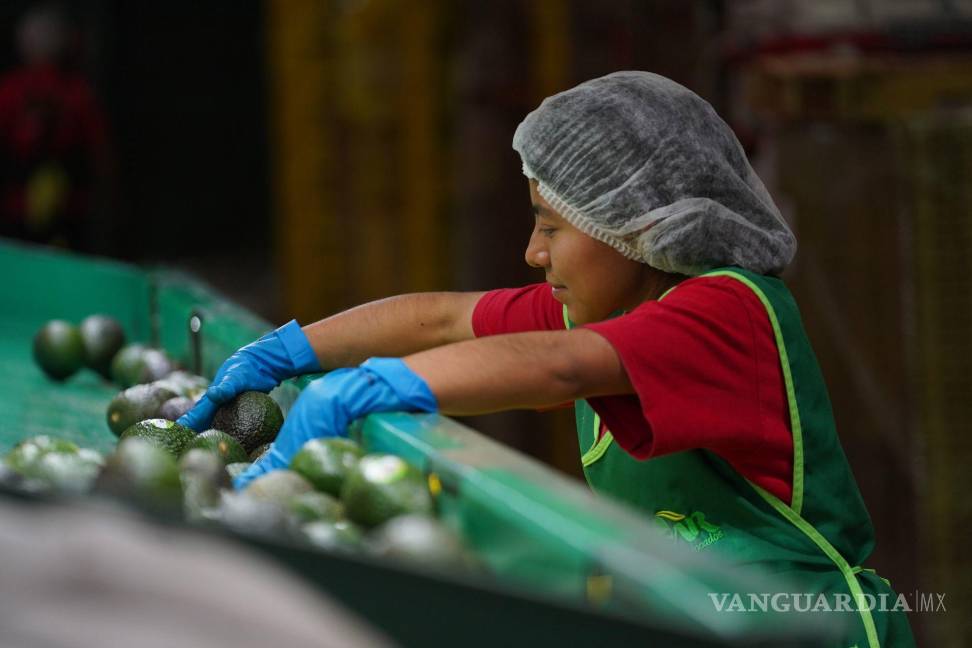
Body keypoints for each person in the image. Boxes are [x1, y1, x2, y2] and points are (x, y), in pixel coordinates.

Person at [179, 71, 914, 647]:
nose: (533, 253)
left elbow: (561, 367)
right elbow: (442, 319)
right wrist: (287, 351)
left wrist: (364, 390)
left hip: (803, 627)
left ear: (634, 223)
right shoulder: (605, 308)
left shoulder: (727, 312)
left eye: (552, 227)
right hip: (696, 618)